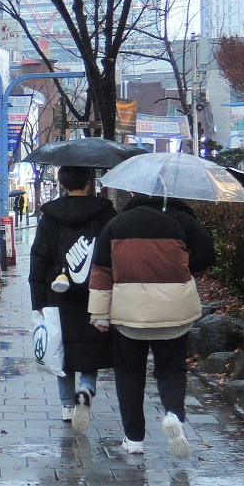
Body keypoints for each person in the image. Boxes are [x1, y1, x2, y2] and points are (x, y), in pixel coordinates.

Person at [89, 193, 215, 457]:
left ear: (135, 194)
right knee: (172, 369)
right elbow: (205, 258)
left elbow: (101, 269)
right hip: (174, 310)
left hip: (129, 313)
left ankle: (134, 438)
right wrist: (180, 267)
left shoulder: (118, 223)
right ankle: (173, 414)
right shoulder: (184, 221)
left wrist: (99, 313)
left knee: (129, 374)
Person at [28, 166, 117, 427]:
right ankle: (87, 388)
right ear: (89, 183)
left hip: (58, 292)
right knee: (91, 346)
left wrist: (38, 301)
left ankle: (67, 405)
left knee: (61, 347)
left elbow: (38, 259)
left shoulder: (50, 216)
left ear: (62, 184)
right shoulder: (106, 214)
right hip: (96, 291)